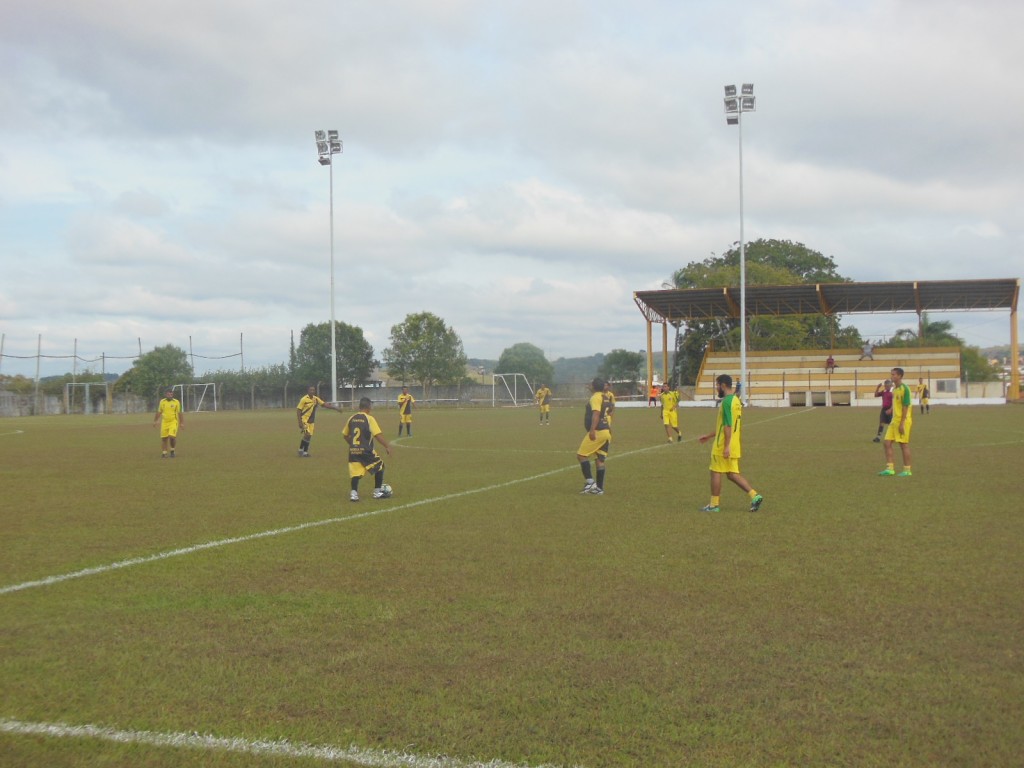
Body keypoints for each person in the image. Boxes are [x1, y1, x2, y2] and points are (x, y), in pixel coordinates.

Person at [697, 374, 764, 513]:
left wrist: (726, 446)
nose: (716, 388)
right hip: (734, 443)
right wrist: (709, 436)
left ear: (723, 385)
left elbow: (727, 426)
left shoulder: (727, 402)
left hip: (723, 444)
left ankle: (714, 505)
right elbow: (726, 425)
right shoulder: (736, 401)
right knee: (732, 474)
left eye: (717, 385)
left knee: (715, 471)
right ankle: (754, 495)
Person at [342, 397, 394, 501]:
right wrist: (387, 446)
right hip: (366, 450)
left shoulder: (351, 418)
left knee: (355, 473)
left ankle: (354, 494)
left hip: (354, 451)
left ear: (359, 407)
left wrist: (352, 444)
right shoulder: (369, 418)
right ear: (368, 407)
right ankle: (377, 492)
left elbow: (345, 435)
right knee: (380, 466)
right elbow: (377, 435)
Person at [577, 377, 613, 495]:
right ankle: (599, 489)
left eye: (591, 384)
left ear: (594, 386)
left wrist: (592, 430)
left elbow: (596, 414)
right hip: (606, 431)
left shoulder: (595, 397)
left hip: (598, 431)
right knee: (600, 460)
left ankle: (590, 482)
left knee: (581, 455)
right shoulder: (605, 396)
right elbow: (609, 412)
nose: (589, 385)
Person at [879, 367, 913, 477]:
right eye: (891, 374)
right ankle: (890, 469)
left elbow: (905, 406)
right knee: (887, 443)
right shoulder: (895, 389)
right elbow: (897, 404)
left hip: (903, 420)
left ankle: (907, 470)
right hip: (895, 420)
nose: (891, 376)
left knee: (903, 444)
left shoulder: (905, 388)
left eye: (894, 374)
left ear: (900, 376)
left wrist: (902, 423)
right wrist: (891, 410)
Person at [296, 385, 340, 457]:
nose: (312, 391)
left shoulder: (316, 399)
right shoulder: (304, 399)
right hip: (304, 419)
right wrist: (300, 422)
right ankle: (304, 452)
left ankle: (301, 450)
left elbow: (324, 404)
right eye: (311, 390)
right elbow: (298, 410)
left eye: (313, 390)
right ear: (308, 391)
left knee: (308, 436)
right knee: (307, 434)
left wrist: (335, 408)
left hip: (311, 421)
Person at [153, 388, 184, 458]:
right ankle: (164, 453)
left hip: (173, 422)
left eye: (171, 394)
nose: (170, 395)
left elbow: (180, 413)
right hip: (164, 422)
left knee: (172, 437)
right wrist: (155, 421)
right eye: (168, 394)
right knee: (164, 438)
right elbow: (159, 412)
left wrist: (181, 423)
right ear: (165, 394)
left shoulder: (176, 402)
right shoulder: (162, 402)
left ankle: (172, 450)